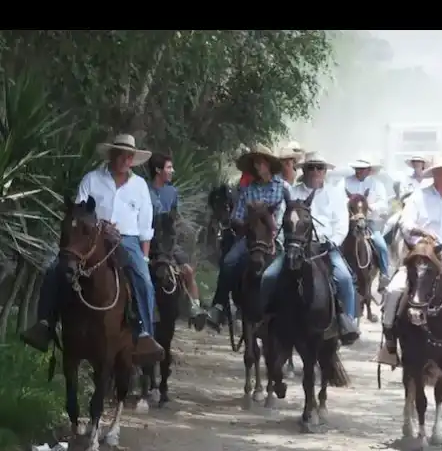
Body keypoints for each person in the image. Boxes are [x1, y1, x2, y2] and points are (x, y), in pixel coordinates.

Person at [21, 134, 164, 363]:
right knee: (54, 269)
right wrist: (98, 226)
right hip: (91, 236)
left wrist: (144, 257)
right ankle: (45, 324)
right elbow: (78, 210)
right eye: (119, 154)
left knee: (144, 281)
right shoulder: (92, 179)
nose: (123, 160)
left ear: (132, 159)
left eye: (128, 156)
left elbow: (145, 227)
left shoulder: (139, 187)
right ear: (112, 155)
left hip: (126, 239)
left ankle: (144, 335)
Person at [376, 155, 442, 366]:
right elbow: (405, 224)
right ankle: (389, 340)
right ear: (435, 174)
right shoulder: (418, 197)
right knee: (394, 291)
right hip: (420, 254)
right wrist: (421, 231)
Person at [261, 151, 360, 344]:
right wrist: (287, 242)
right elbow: (281, 220)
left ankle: (346, 323)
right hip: (295, 247)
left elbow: (341, 224)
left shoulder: (335, 194)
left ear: (325, 171)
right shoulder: (293, 192)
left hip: (325, 247)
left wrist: (332, 241)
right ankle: (265, 319)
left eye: (319, 168)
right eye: (310, 167)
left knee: (345, 279)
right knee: (268, 276)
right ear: (304, 170)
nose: (315, 171)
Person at [204, 145, 286, 331]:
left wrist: (268, 218)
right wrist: (250, 220)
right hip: (251, 235)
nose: (257, 167)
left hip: (277, 236)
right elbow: (237, 217)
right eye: (255, 163)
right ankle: (219, 306)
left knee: (293, 265)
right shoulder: (248, 190)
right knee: (229, 261)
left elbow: (288, 215)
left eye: (260, 163)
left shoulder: (283, 188)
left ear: (268, 165)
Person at [146, 152, 206, 324]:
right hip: (149, 239)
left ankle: (194, 307)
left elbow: (175, 217)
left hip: (168, 241)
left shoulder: (172, 192)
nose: (172, 171)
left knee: (187, 269)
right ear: (158, 170)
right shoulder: (145, 190)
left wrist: (178, 233)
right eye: (169, 167)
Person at [345, 156, 390, 292]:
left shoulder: (377, 185)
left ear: (369, 170)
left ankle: (384, 274)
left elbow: (384, 204)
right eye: (357, 169)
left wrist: (370, 206)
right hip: (349, 222)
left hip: (370, 221)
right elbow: (339, 198)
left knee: (381, 245)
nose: (359, 171)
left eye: (362, 169)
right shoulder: (345, 182)